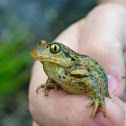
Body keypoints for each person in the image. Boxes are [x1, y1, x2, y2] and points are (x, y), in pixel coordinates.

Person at [29, 0, 126, 126]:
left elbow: (90, 79)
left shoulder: (75, 68)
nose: (44, 51)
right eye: (40, 45)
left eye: (54, 50)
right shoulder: (48, 67)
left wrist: (98, 97)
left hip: (102, 90)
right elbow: (52, 76)